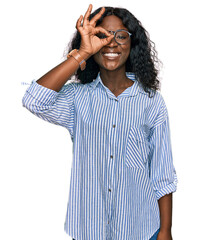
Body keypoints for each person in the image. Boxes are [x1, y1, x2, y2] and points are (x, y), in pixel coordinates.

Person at [22, 4, 177, 240]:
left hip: (139, 228)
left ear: (132, 44)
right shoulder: (77, 98)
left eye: (121, 36)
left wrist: (165, 231)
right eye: (102, 36)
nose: (111, 43)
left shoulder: (151, 101)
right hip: (89, 229)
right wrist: (82, 53)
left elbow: (162, 174)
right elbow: (34, 100)